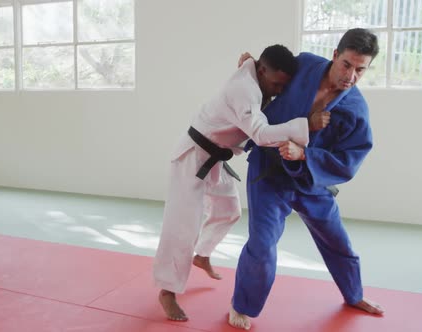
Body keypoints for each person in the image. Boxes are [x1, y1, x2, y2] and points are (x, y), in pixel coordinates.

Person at [153, 44, 325, 322]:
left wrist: (251, 62)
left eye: (284, 86)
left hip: (214, 159)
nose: (278, 90)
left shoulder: (256, 76)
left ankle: (202, 255)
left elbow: (258, 79)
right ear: (262, 70)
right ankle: (167, 291)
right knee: (182, 226)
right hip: (191, 158)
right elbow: (260, 134)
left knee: (229, 210)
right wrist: (308, 124)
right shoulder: (245, 90)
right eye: (276, 84)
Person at [228, 28, 384, 330]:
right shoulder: (305, 65)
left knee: (339, 242)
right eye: (347, 65)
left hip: (310, 180)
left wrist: (304, 156)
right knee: (262, 244)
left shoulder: (355, 109)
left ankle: (354, 295)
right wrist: (249, 69)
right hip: (269, 170)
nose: (351, 76)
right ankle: (242, 305)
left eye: (361, 70)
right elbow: (268, 80)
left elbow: (348, 161)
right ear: (335, 55)